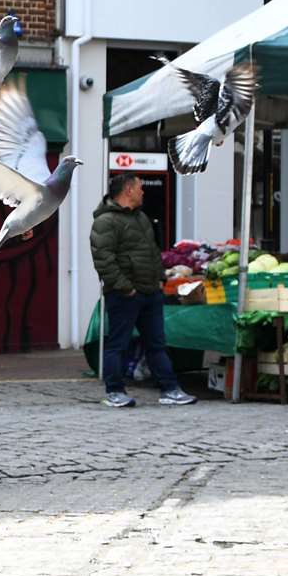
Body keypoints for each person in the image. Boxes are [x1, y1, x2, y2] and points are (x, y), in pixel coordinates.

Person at [90, 174, 195, 408]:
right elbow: (104, 260)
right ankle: (115, 391)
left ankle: (170, 389)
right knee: (118, 344)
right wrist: (125, 288)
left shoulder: (141, 218)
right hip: (125, 295)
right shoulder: (105, 222)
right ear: (128, 190)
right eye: (140, 188)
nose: (143, 192)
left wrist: (159, 279)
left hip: (149, 292)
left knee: (156, 344)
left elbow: (152, 253)